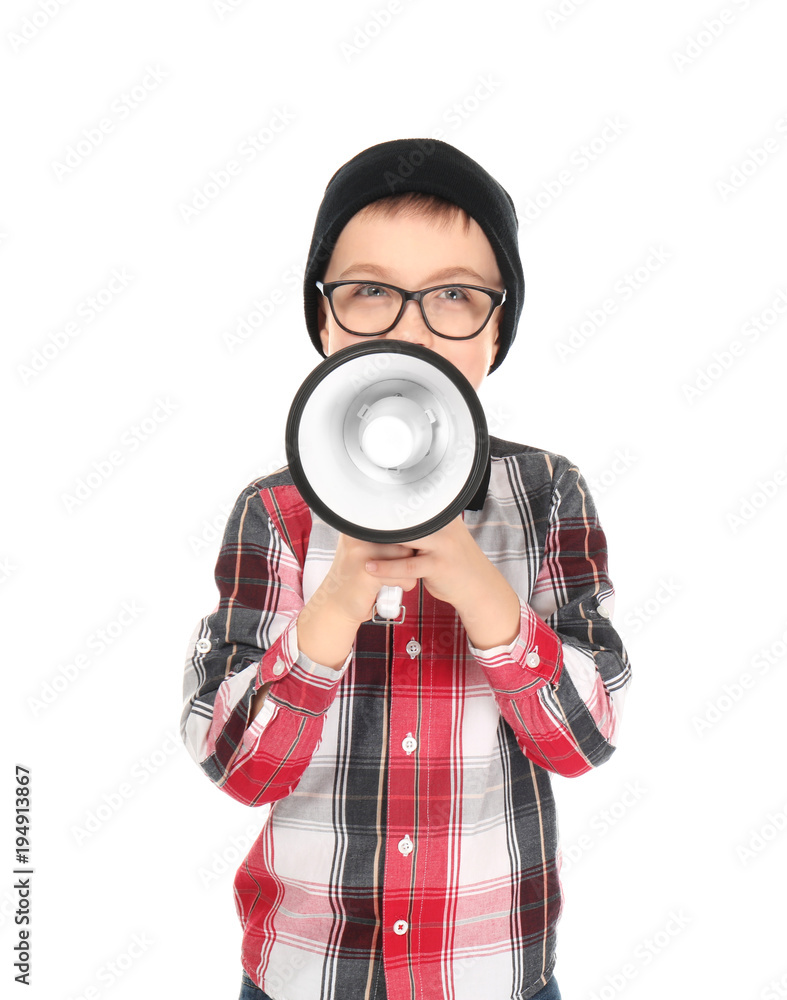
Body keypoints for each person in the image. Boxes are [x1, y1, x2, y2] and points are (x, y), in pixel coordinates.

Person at [180, 138, 632, 1000]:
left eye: (454, 296)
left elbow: (585, 738)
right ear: (323, 320)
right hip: (306, 976)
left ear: (496, 329)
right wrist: (337, 600)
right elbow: (237, 766)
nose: (408, 328)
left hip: (493, 974)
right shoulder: (273, 514)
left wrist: (478, 587)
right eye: (369, 293)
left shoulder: (546, 496)